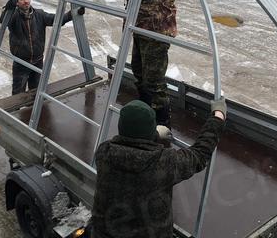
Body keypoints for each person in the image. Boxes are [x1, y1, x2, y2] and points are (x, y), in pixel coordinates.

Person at [91, 98, 227, 238]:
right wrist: (218, 117)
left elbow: (132, 143)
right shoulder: (164, 162)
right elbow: (199, 154)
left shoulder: (104, 152)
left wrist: (154, 134)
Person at [0, 0, 83, 94]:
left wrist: (73, 13)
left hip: (37, 62)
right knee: (17, 94)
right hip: (21, 63)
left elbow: (56, 19)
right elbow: (3, 21)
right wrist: (9, 9)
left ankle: (34, 110)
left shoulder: (39, 14)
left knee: (36, 92)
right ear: (16, 1)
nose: (26, 1)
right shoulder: (14, 16)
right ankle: (17, 111)